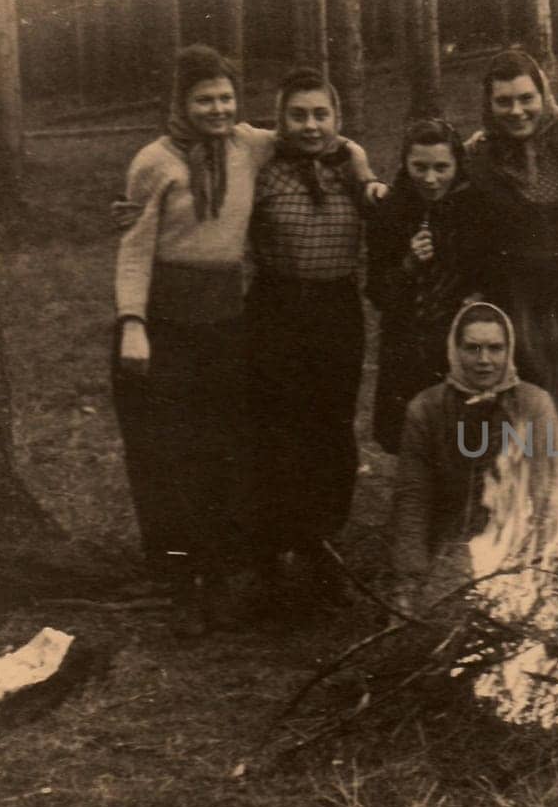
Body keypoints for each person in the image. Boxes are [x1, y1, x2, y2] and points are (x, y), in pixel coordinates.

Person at [111, 46, 380, 635]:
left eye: (226, 97)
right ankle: (184, 580)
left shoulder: (248, 145)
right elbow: (132, 247)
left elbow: (334, 142)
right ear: (179, 102)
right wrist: (132, 322)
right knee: (172, 454)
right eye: (204, 99)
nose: (217, 109)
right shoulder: (153, 161)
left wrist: (359, 164)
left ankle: (249, 562)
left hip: (226, 324)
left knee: (228, 447)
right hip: (162, 326)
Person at [245, 67, 380, 609]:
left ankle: (322, 541)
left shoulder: (352, 164)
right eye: (298, 114)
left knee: (331, 426)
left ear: (337, 119)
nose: (310, 125)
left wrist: (362, 167)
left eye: (320, 113)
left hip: (336, 308)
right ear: (280, 119)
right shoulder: (261, 164)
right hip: (276, 305)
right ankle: (273, 550)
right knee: (276, 428)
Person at [388, 302, 557, 617]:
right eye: (473, 348)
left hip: (516, 541)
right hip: (451, 544)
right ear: (455, 350)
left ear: (509, 351)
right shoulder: (427, 408)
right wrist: (408, 580)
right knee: (446, 624)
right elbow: (413, 499)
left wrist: (545, 563)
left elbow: (547, 493)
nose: (484, 360)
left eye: (495, 349)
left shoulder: (534, 405)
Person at [466, 50, 558, 404]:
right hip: (519, 304)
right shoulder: (478, 156)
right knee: (531, 406)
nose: (516, 111)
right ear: (489, 104)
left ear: (543, 95)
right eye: (504, 102)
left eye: (526, 98)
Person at [366, 118, 489, 455]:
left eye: (441, 167)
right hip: (406, 348)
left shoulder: (476, 207)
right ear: (405, 164)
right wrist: (408, 264)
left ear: (457, 164)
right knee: (413, 446)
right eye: (419, 167)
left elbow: (492, 275)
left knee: (463, 446)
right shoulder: (391, 211)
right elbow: (377, 293)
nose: (431, 178)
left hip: (462, 345)